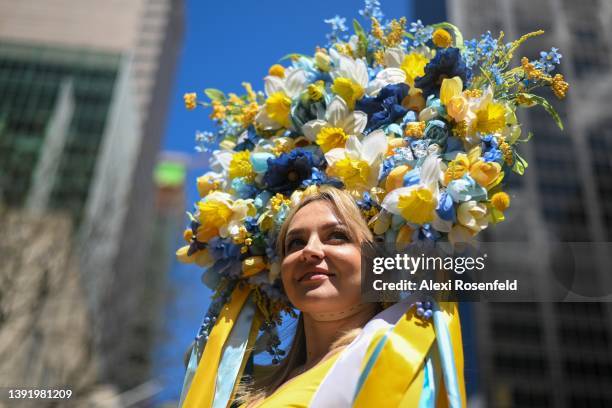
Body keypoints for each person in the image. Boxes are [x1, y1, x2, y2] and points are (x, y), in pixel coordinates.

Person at [230, 185, 467, 407]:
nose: (309, 251)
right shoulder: (251, 388)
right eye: (295, 243)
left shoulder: (394, 354)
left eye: (337, 236)